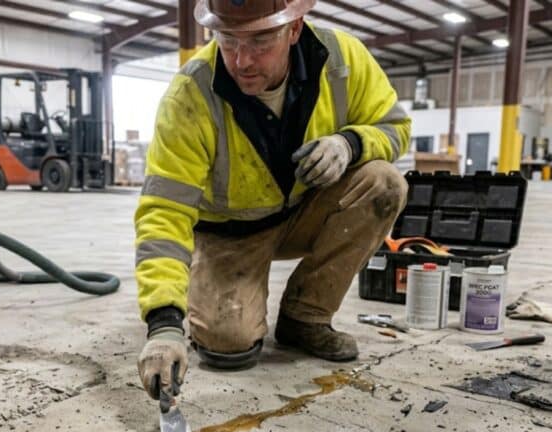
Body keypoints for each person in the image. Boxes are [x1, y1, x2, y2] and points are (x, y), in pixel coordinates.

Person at [135, 0, 410, 400]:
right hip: (230, 235)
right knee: (229, 346)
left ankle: (306, 316)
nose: (242, 60)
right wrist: (163, 325)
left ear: (294, 28)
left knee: (384, 184)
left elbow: (396, 127)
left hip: (304, 213)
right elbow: (164, 211)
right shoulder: (190, 95)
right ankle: (220, 299)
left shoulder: (341, 61)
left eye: (261, 41)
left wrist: (349, 144)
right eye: (228, 40)